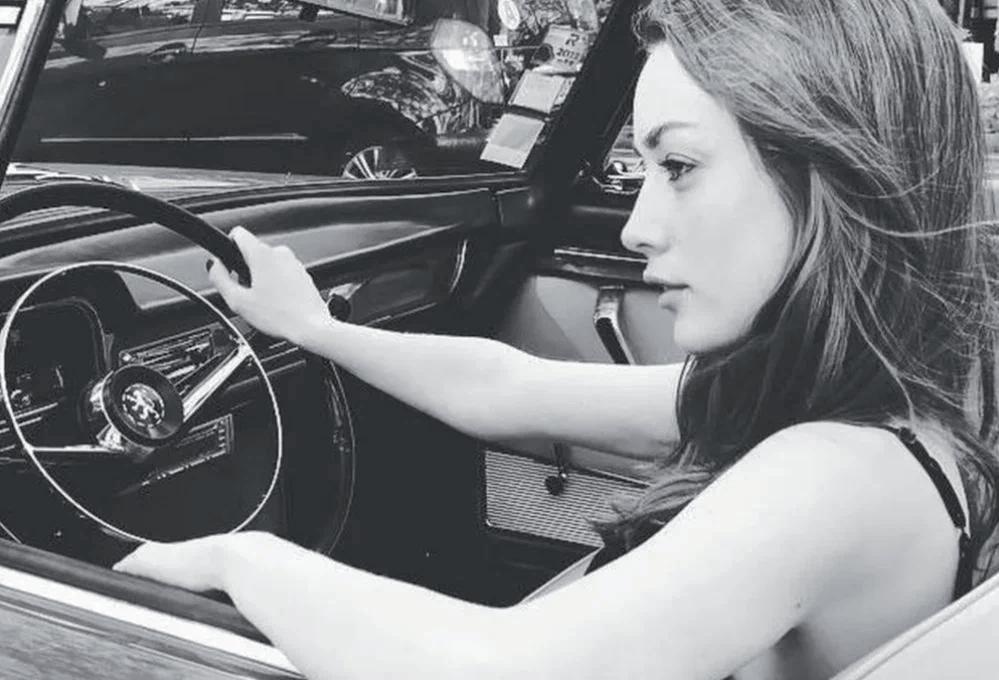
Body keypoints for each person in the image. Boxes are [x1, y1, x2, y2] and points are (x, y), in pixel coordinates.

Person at [114, 0, 999, 678]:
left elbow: (501, 672)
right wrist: (316, 330)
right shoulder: (864, 403)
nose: (636, 228)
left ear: (833, 174)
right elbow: (505, 390)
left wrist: (237, 557)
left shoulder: (833, 472)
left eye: (679, 166)